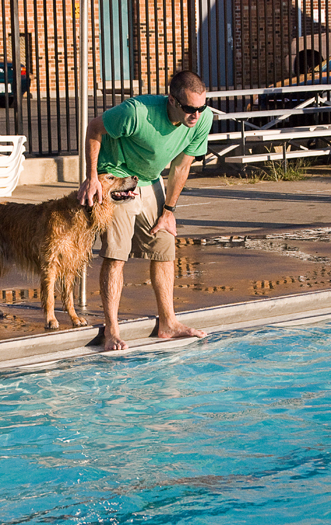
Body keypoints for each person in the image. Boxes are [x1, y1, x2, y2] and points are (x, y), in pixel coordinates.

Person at [78, 70, 213, 351]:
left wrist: (169, 210)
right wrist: (92, 176)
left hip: (150, 179)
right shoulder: (136, 112)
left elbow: (181, 167)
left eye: (201, 108)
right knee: (117, 253)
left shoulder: (202, 119)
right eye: (190, 108)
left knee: (164, 247)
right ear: (172, 101)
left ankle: (168, 322)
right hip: (116, 174)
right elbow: (94, 128)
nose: (196, 116)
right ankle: (111, 330)